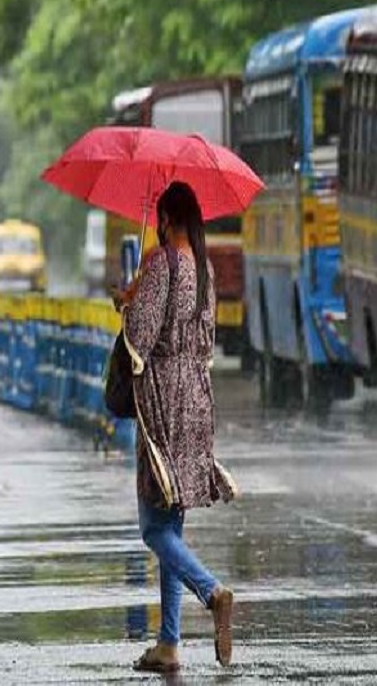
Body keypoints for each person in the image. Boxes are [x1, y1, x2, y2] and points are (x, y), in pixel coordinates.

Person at [117, 182, 238, 674]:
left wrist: (127, 304)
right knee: (172, 522)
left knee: (152, 527)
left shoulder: (164, 263)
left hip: (162, 399)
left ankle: (212, 591)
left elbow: (140, 340)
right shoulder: (204, 268)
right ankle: (168, 642)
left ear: (165, 218)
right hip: (196, 396)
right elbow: (206, 339)